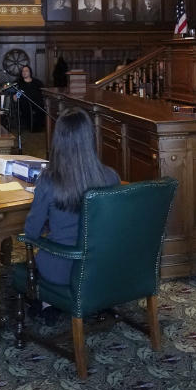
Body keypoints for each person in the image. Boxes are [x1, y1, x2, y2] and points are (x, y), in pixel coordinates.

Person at [23, 107, 120, 285]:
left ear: (58, 141)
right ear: (90, 138)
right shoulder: (111, 176)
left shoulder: (48, 180)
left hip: (62, 268)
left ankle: (48, 303)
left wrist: (50, 224)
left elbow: (31, 232)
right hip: (102, 266)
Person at [13, 65, 45, 132]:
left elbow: (43, 93)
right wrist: (15, 97)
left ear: (30, 72)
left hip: (37, 102)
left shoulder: (37, 82)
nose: (24, 72)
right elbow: (15, 96)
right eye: (23, 71)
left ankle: (38, 127)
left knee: (40, 107)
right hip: (24, 103)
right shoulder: (18, 83)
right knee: (26, 106)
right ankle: (30, 126)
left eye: (26, 71)